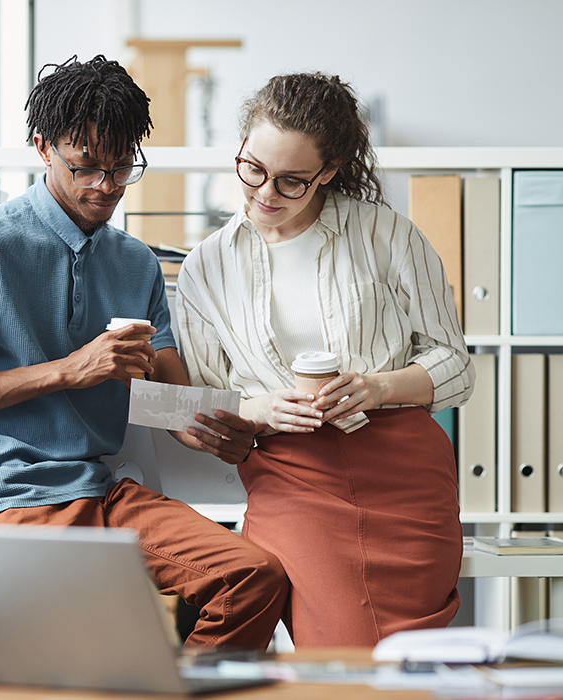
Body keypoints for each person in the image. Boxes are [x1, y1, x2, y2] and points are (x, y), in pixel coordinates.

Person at [0, 55, 288, 650]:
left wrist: (216, 430)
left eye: (120, 166)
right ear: (42, 147)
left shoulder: (134, 263)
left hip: (99, 492)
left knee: (253, 579)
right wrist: (68, 371)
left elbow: (171, 401)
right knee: (90, 638)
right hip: (4, 495)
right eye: (84, 168)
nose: (105, 186)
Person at [176, 72, 475, 648]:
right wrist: (259, 406)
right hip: (291, 475)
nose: (265, 193)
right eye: (253, 169)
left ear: (329, 172)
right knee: (341, 651)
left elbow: (456, 366)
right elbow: (208, 407)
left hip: (404, 474)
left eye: (292, 181)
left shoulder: (387, 235)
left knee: (410, 660)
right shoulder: (206, 268)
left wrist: (381, 387)